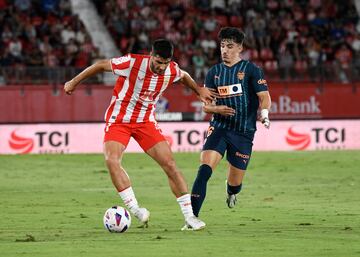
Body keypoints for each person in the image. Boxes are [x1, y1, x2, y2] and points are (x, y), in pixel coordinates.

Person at [64, 39, 216, 230]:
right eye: (158, 62)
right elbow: (101, 65)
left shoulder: (171, 69)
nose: (161, 67)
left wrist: (198, 90)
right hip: (119, 120)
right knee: (112, 161)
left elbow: (183, 75)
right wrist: (73, 82)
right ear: (151, 56)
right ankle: (135, 209)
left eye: (165, 63)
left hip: (145, 122)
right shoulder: (132, 63)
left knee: (169, 164)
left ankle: (189, 217)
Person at [190, 27, 271, 218]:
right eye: (222, 46)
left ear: (240, 48)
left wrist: (265, 113)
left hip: (243, 132)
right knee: (204, 170)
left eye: (229, 46)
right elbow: (206, 106)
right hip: (219, 127)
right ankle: (191, 217)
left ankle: (231, 190)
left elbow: (264, 96)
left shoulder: (251, 70)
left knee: (235, 184)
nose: (224, 50)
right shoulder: (214, 72)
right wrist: (217, 109)